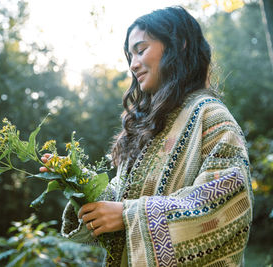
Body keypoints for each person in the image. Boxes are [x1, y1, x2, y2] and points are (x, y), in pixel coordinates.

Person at [41, 6, 253, 267]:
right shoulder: (150, 126)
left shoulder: (210, 117)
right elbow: (121, 201)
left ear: (180, 45)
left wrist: (130, 215)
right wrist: (78, 181)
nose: (133, 64)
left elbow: (227, 204)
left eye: (141, 50)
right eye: (130, 56)